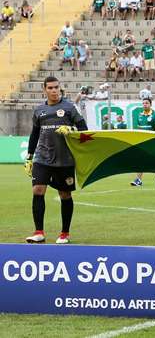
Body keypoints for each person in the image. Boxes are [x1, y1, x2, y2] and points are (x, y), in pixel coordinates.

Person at [24, 76, 89, 244]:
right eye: (50, 88)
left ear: (60, 88)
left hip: (65, 159)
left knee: (64, 194)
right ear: (44, 90)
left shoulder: (69, 108)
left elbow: (84, 130)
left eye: (56, 87)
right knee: (37, 190)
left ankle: (64, 233)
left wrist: (71, 128)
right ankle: (39, 232)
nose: (54, 91)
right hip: (42, 158)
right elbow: (35, 134)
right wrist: (30, 156)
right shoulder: (39, 110)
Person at [130, 98, 155, 187]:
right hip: (143, 143)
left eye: (147, 103)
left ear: (150, 104)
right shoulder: (139, 115)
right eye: (143, 103)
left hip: (152, 142)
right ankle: (138, 180)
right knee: (141, 160)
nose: (145, 104)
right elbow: (139, 130)